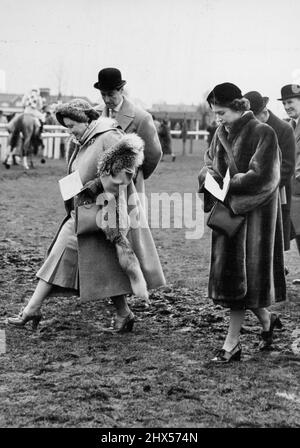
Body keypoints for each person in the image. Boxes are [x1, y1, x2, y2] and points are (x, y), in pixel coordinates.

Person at [7, 99, 165, 333]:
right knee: (102, 263)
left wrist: (97, 185)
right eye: (66, 126)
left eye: (72, 125)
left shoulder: (108, 137)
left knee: (78, 257)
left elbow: (127, 171)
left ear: (86, 119)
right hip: (85, 212)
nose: (69, 131)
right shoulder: (84, 140)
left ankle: (33, 309)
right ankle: (122, 313)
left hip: (105, 213)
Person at [198, 82, 286, 363]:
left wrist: (229, 187)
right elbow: (209, 164)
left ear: (238, 107)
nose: (217, 119)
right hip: (229, 219)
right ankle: (267, 319)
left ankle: (232, 344)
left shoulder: (263, 133)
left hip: (254, 220)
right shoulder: (219, 133)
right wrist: (209, 179)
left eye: (221, 112)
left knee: (240, 283)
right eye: (214, 113)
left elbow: (265, 178)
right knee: (238, 283)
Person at [244, 91, 296, 252]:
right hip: (253, 193)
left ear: (264, 112)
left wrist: (265, 186)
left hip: (277, 195)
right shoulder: (252, 129)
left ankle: (277, 271)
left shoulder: (284, 129)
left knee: (275, 238)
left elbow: (287, 167)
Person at [93, 67, 162, 182]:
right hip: (96, 185)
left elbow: (154, 154)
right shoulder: (94, 115)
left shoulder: (142, 118)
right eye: (103, 94)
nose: (106, 99)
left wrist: (135, 176)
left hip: (127, 187)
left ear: (121, 90)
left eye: (110, 94)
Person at [278, 84, 300, 283]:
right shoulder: (291, 125)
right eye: (284, 103)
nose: (287, 106)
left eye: (290, 102)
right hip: (294, 189)